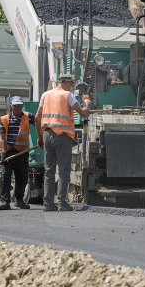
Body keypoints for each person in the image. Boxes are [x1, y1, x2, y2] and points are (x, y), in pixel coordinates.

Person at [35, 74, 91, 212]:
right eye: (71, 84)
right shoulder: (68, 96)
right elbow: (83, 114)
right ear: (66, 83)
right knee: (64, 170)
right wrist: (87, 105)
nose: (71, 86)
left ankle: (48, 204)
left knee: (49, 170)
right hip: (63, 136)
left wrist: (40, 137)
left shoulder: (45, 95)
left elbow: (37, 116)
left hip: (47, 134)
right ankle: (62, 202)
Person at [0, 96, 34, 210]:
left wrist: (41, 138)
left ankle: (19, 200)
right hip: (8, 152)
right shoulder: (4, 119)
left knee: (22, 178)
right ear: (11, 106)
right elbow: (2, 138)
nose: (17, 108)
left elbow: (39, 122)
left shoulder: (28, 117)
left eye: (19, 106)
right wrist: (3, 153)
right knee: (6, 177)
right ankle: (5, 202)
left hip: (22, 152)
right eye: (15, 106)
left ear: (22, 106)